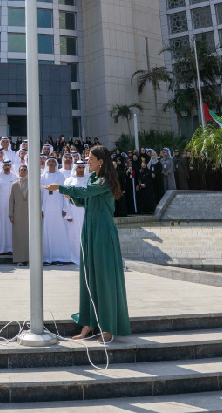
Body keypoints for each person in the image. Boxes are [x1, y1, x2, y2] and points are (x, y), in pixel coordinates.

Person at [45, 144, 131, 343]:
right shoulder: (93, 178)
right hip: (90, 229)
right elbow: (87, 200)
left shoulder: (106, 180)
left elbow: (87, 193)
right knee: (89, 275)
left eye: (91, 159)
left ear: (101, 161)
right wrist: (72, 197)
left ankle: (108, 327)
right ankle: (90, 321)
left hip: (103, 231)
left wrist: (62, 188)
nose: (88, 162)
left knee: (104, 277)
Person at [40, 157, 71, 264]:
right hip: (46, 208)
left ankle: (60, 257)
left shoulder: (61, 176)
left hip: (59, 207)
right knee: (47, 231)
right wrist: (41, 209)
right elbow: (40, 195)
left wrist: (65, 208)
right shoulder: (42, 177)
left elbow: (64, 193)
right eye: (50, 162)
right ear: (47, 164)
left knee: (59, 231)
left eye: (53, 162)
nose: (52, 163)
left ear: (56, 164)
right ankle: (47, 258)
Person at [64, 161, 87, 265]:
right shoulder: (69, 181)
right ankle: (75, 258)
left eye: (83, 167)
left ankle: (86, 258)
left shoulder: (88, 180)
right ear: (75, 168)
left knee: (86, 234)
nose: (81, 169)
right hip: (74, 210)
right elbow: (66, 199)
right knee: (74, 235)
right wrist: (69, 213)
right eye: (79, 168)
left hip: (87, 210)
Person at [0, 160, 17, 254]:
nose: (7, 166)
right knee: (1, 226)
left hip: (12, 206)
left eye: (8, 164)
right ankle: (1, 249)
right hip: (0, 206)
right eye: (5, 165)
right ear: (2, 166)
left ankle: (11, 248)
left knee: (10, 227)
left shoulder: (15, 177)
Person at [9, 164, 29, 265]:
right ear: (18, 171)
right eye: (22, 170)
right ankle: (19, 259)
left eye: (25, 170)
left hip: (29, 213)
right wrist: (11, 214)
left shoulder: (33, 183)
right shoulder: (14, 184)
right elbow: (11, 200)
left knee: (29, 237)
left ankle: (30, 259)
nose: (23, 171)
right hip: (18, 213)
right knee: (18, 236)